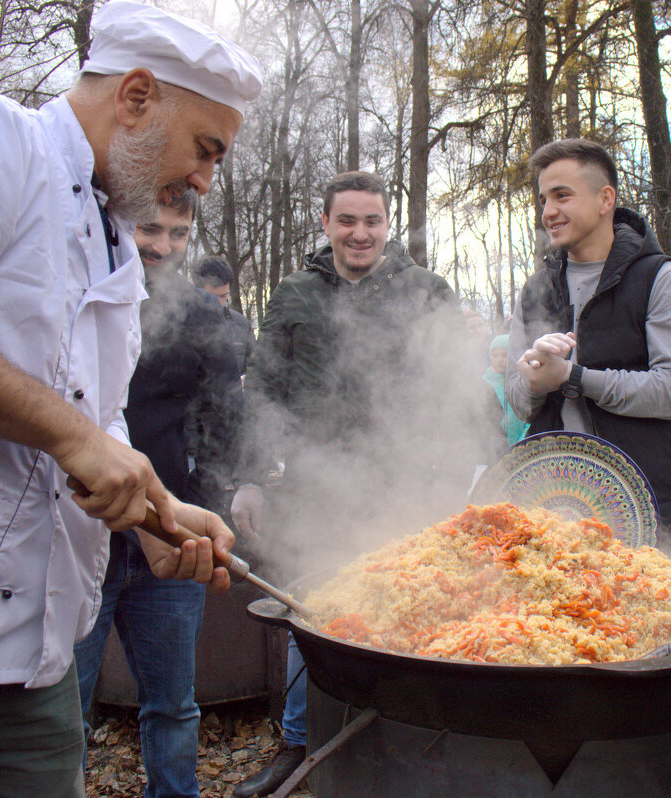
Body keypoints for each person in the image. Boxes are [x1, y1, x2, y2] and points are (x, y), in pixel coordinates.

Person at [0, 2, 260, 795]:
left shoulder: (114, 237)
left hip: (39, 655)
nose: (202, 181)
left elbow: (94, 414)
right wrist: (75, 436)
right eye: (205, 149)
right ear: (134, 97)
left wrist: (159, 516)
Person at [229, 171, 474, 798]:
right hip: (318, 483)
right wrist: (251, 476)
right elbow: (262, 389)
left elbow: (456, 386)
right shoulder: (294, 294)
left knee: (415, 604)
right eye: (347, 221)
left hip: (408, 483)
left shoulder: (427, 291)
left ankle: (413, 742)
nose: (359, 233)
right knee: (312, 606)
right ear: (326, 225)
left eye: (371, 221)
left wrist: (464, 472)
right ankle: (295, 742)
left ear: (387, 225)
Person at [73, 192, 242, 798]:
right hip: (79, 531)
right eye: (150, 228)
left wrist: (206, 503)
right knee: (65, 707)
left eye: (178, 232)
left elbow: (226, 416)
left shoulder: (203, 315)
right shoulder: (79, 295)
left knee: (173, 703)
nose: (162, 246)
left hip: (171, 535)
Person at [505, 139, 671, 531]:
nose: (549, 212)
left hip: (644, 504)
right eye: (544, 199)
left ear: (605, 199)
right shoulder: (534, 290)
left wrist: (571, 378)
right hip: (553, 506)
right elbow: (518, 400)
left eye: (562, 196)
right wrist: (534, 381)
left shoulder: (659, 278)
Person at [193, 255, 256, 374]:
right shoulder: (178, 324)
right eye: (210, 296)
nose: (216, 303)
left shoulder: (242, 326)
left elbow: (255, 370)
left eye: (223, 296)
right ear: (195, 290)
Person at [485, 334, 528, 448]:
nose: (500, 360)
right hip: (494, 452)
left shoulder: (522, 383)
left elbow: (529, 417)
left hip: (522, 449)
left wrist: (522, 442)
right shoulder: (484, 384)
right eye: (495, 355)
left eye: (504, 355)